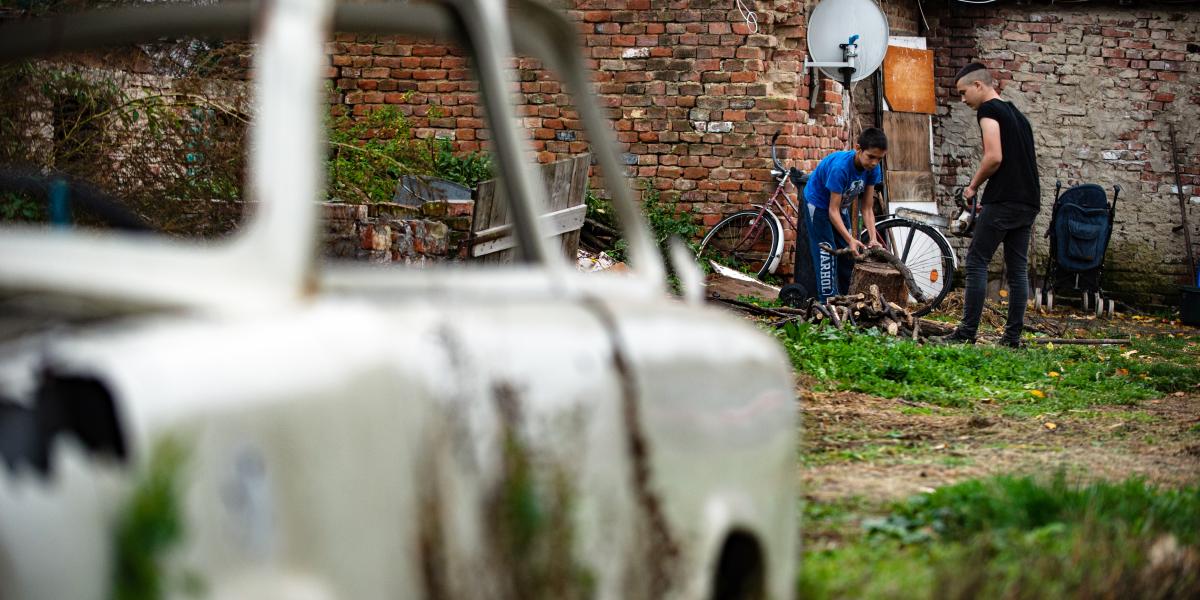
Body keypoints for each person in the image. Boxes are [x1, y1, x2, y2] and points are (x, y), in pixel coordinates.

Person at [933, 62, 1040, 347]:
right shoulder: (1017, 115)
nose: (963, 99)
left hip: (1004, 199)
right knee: (1017, 270)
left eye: (963, 92)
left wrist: (972, 187)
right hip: (1028, 201)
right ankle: (1012, 338)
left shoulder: (989, 110)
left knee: (976, 261)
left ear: (978, 85)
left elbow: (994, 157)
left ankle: (966, 333)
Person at [802, 127, 887, 301]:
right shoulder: (840, 168)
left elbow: (867, 208)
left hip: (840, 206)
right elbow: (831, 211)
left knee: (849, 254)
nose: (874, 162)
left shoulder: (874, 169)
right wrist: (850, 238)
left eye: (879, 158)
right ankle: (829, 304)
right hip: (818, 205)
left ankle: (848, 300)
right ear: (858, 148)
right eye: (871, 157)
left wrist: (873, 238)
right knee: (827, 254)